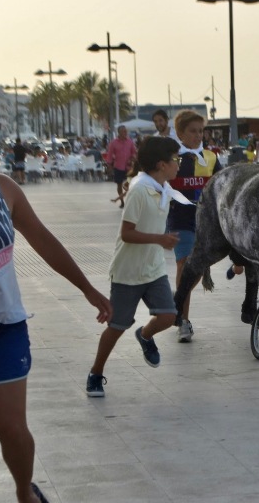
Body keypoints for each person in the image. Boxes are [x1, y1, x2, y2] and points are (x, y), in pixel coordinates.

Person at [0, 174, 111, 503]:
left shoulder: (5, 189)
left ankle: (24, 491)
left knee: (11, 428)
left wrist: (86, 287)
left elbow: (43, 240)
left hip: (5, 326)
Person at [86, 136, 184, 398]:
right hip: (128, 272)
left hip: (152, 269)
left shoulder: (162, 188)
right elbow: (127, 233)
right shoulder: (140, 190)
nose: (179, 164)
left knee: (168, 316)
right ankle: (95, 373)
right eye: (176, 159)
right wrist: (160, 239)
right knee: (117, 327)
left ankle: (145, 335)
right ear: (162, 164)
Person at [169, 110, 222, 341]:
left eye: (201, 131)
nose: (198, 135)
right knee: (184, 264)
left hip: (205, 222)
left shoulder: (210, 157)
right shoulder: (173, 158)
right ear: (180, 133)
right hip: (180, 219)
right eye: (192, 131)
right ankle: (183, 320)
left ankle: (177, 299)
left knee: (196, 270)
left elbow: (222, 184)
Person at [106, 125, 137, 209]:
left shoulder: (130, 142)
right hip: (118, 167)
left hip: (128, 168)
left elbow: (134, 152)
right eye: (123, 131)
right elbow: (109, 154)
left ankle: (130, 201)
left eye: (126, 131)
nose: (125, 132)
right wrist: (109, 165)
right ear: (119, 132)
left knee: (131, 185)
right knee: (119, 185)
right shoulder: (114, 142)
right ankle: (122, 201)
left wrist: (133, 158)